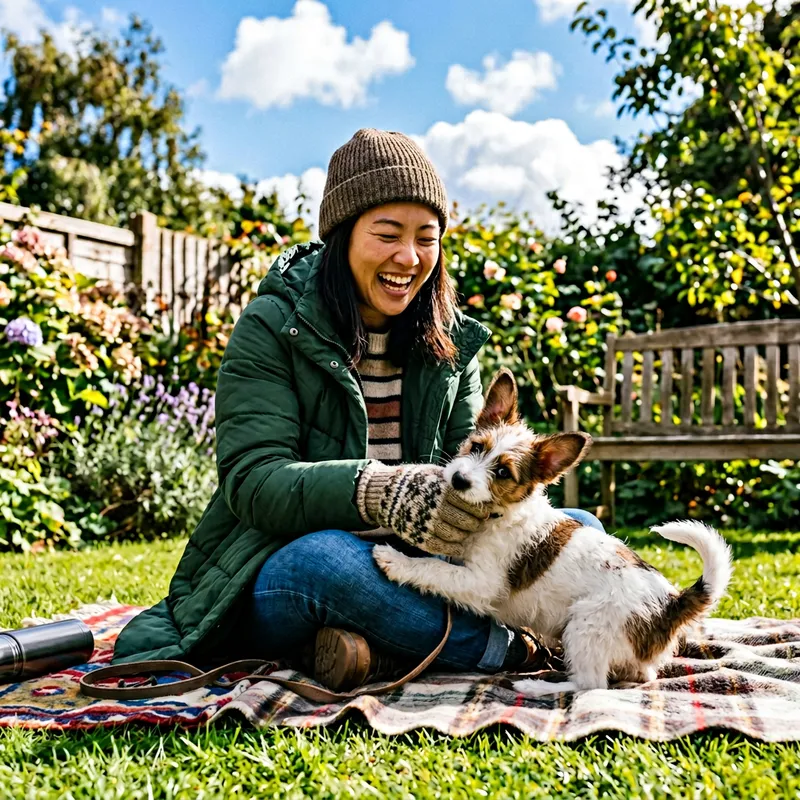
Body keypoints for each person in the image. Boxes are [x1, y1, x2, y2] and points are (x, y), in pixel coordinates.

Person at [113, 128, 604, 688]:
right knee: (325, 563)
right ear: (342, 236)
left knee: (573, 528)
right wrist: (378, 491)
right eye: (388, 234)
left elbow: (474, 486)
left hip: (419, 564)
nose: (409, 257)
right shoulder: (273, 327)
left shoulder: (451, 343)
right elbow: (253, 482)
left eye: (427, 237)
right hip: (289, 566)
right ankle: (508, 651)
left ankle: (380, 648)